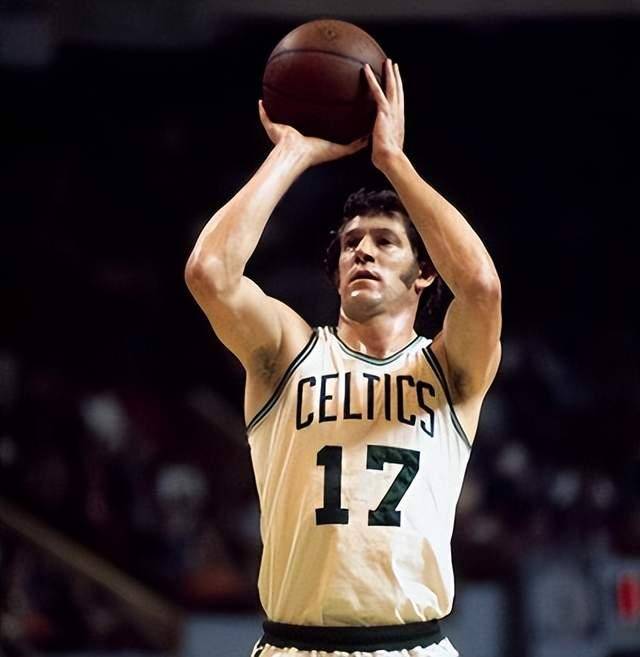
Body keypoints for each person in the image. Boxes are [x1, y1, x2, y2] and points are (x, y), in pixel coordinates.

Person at [185, 59, 501, 657]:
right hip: (295, 644)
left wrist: (395, 162)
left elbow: (481, 287)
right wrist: (291, 154)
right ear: (334, 276)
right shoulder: (290, 354)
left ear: (424, 272)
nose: (363, 252)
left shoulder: (448, 369)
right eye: (351, 243)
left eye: (385, 241)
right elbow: (210, 272)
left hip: (414, 644)